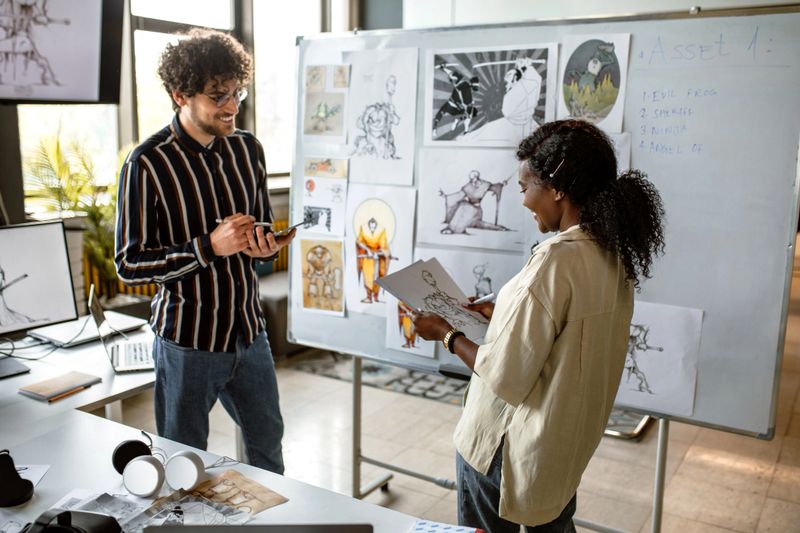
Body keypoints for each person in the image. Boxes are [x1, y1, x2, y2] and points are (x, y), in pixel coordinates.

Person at [412, 119, 665, 532]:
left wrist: (445, 332)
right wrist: (503, 310)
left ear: (557, 189)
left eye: (525, 187)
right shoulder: (613, 257)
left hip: (502, 451)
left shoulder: (554, 261)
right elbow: (562, 338)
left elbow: (505, 375)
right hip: (559, 450)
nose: (524, 200)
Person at [114, 28, 295, 474]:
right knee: (183, 461)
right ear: (181, 95)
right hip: (187, 343)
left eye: (238, 92)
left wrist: (264, 246)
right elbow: (129, 264)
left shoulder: (248, 149)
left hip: (249, 332)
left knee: (268, 451)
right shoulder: (147, 164)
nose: (233, 106)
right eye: (218, 96)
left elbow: (257, 235)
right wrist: (208, 247)